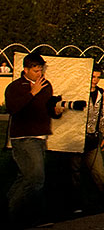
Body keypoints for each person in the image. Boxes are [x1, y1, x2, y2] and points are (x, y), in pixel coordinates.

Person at [5, 54, 65, 228]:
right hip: (24, 138)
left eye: (41, 70)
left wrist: (56, 111)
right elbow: (12, 108)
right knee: (37, 179)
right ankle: (32, 218)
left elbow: (48, 110)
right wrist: (32, 92)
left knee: (26, 177)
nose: (39, 74)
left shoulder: (46, 86)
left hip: (40, 137)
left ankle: (10, 210)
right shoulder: (15, 87)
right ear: (26, 70)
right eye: (36, 70)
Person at [68, 70, 104, 213]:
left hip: (92, 139)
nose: (95, 80)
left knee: (99, 172)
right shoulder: (78, 92)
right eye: (93, 77)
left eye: (98, 77)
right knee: (75, 172)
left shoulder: (102, 95)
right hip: (76, 138)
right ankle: (76, 204)